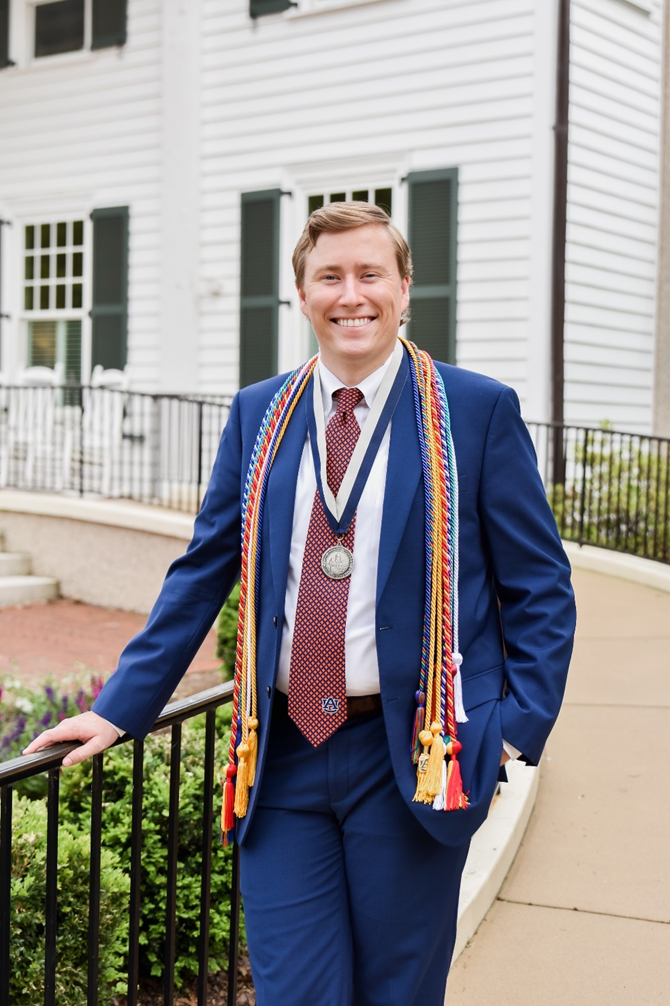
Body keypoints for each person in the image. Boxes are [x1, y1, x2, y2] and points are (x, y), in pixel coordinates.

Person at [25, 202, 576, 1005]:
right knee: (296, 992)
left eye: (369, 274)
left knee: (396, 990)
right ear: (303, 293)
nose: (351, 295)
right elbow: (204, 567)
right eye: (330, 277)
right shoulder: (260, 411)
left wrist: (511, 731)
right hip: (279, 752)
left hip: (415, 755)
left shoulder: (476, 409)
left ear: (403, 287)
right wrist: (120, 707)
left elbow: (539, 586)